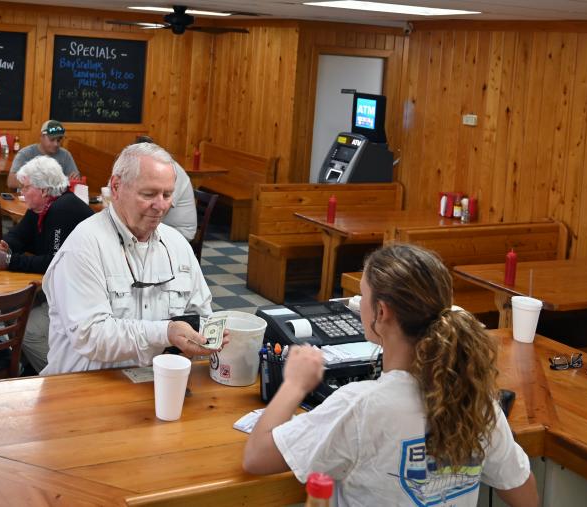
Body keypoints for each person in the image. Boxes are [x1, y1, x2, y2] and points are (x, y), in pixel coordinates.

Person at [242, 244, 538, 507]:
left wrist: (294, 384)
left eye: (363, 296)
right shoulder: (478, 400)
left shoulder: (361, 406)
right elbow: (523, 490)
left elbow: (256, 456)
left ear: (381, 312)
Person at [41, 142, 217, 375]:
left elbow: (203, 313)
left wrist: (210, 333)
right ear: (116, 187)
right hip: (84, 388)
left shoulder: (178, 246)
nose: (161, 206)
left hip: (156, 384)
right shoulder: (84, 246)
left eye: (167, 194)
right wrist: (166, 332)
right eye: (149, 194)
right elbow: (91, 336)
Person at [0, 156, 94, 373]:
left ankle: (57, 379)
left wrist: (10, 261)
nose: (21, 192)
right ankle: (27, 365)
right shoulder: (41, 207)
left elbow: (53, 262)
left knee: (27, 329)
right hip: (58, 287)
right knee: (8, 307)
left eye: (26, 187)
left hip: (80, 295)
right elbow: (19, 236)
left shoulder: (63, 209)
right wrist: (5, 247)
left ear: (44, 190)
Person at [134, 135, 196, 241]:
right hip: (162, 225)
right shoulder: (150, 167)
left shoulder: (169, 170)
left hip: (180, 231)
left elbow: (161, 209)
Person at [7, 119, 80, 189]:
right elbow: (11, 182)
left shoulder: (65, 155)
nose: (56, 144)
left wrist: (75, 180)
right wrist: (41, 183)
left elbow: (77, 181)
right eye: (52, 140)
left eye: (59, 140)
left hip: (57, 199)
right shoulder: (25, 153)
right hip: (29, 198)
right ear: (41, 136)